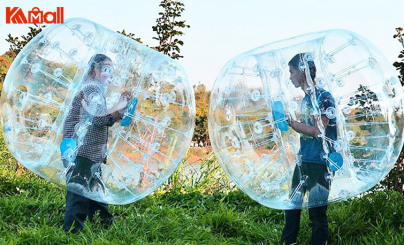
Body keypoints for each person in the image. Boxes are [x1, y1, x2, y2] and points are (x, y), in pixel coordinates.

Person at [62, 54, 132, 233]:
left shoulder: (93, 88)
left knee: (96, 190)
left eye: (112, 71)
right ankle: (72, 232)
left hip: (91, 151)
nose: (110, 75)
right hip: (82, 150)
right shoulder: (92, 88)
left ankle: (104, 226)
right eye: (106, 70)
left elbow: (105, 118)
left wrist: (121, 108)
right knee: (78, 191)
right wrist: (119, 105)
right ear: (95, 69)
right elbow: (100, 118)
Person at [281, 53, 337, 245]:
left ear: (302, 71)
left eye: (291, 71)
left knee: (317, 212)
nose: (290, 76)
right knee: (293, 204)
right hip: (304, 159)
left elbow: (317, 131)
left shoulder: (324, 97)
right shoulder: (306, 99)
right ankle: (288, 242)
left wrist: (292, 123)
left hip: (320, 162)